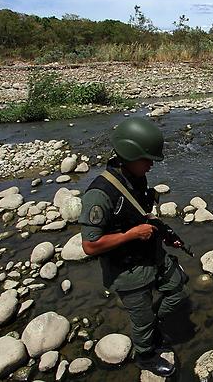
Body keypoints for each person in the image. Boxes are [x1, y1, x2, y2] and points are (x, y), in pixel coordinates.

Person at [78, 117, 188, 377]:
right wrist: (131, 235)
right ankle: (146, 356)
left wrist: (164, 233)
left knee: (177, 288)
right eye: (146, 160)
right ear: (129, 155)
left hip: (151, 253)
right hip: (127, 269)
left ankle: (153, 324)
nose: (151, 166)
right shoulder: (100, 194)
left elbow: (139, 214)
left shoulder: (135, 178)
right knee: (142, 322)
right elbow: (90, 246)